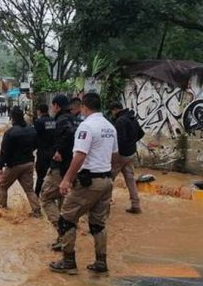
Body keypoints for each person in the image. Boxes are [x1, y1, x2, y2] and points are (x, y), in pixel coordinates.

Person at [50, 93, 117, 276]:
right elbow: (114, 155)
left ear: (84, 107)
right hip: (106, 181)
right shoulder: (110, 127)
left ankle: (68, 261)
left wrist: (66, 180)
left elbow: (79, 155)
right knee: (98, 224)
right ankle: (101, 262)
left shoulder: (86, 126)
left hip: (88, 182)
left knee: (66, 219)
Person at [39, 95, 76, 252]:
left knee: (46, 197)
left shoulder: (62, 120)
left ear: (56, 106)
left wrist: (59, 151)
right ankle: (65, 237)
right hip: (70, 167)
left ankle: (62, 233)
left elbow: (67, 134)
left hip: (60, 168)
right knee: (62, 200)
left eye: (53, 106)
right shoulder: (73, 118)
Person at [0, 106, 42, 217]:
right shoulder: (32, 129)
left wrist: (0, 167)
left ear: (12, 118)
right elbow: (36, 145)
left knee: (2, 186)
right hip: (28, 163)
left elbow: (4, 152)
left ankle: (2, 210)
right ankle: (37, 212)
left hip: (14, 165)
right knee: (29, 190)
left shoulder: (10, 133)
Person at [109, 102, 145, 214]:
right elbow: (141, 134)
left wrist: (114, 154)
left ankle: (105, 202)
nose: (112, 114)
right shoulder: (132, 118)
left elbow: (119, 140)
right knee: (130, 179)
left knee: (109, 178)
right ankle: (135, 205)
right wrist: (131, 143)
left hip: (121, 155)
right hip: (130, 154)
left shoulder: (120, 121)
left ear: (115, 110)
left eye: (112, 111)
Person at [34, 104, 55, 196]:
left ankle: (37, 195)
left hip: (42, 152)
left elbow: (35, 136)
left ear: (39, 111)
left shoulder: (39, 122)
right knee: (51, 174)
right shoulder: (53, 121)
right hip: (53, 152)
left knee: (40, 175)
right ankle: (50, 193)